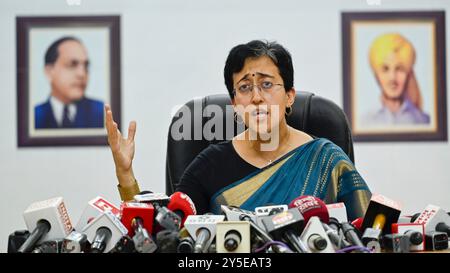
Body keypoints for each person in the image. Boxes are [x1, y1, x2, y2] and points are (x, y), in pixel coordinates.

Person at [106, 40, 372, 221]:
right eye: (244, 88)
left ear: (290, 96)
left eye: (267, 85)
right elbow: (166, 233)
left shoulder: (327, 159)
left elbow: (369, 235)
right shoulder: (210, 164)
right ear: (235, 104)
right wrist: (125, 174)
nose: (256, 97)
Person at [35, 36, 104, 129]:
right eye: (72, 65)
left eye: (86, 66)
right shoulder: (35, 116)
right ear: (49, 71)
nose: (82, 74)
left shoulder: (101, 113)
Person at [363, 33, 430, 125]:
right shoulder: (364, 121)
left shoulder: (424, 120)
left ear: (409, 73)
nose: (392, 78)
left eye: (400, 69)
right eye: (385, 69)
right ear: (376, 75)